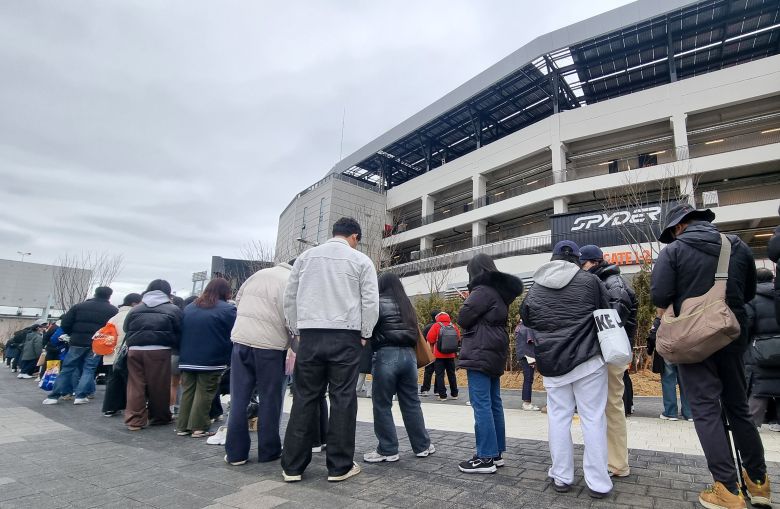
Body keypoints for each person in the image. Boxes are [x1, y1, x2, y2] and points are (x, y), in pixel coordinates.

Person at [651, 202, 769, 508]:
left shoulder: (673, 252)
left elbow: (660, 299)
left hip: (693, 341)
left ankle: (727, 490)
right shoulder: (737, 246)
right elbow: (748, 295)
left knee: (705, 410)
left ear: (678, 226)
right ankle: (758, 484)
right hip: (732, 334)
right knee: (738, 407)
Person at [281, 217, 379, 483]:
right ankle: (339, 466)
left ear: (333, 233)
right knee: (343, 398)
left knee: (304, 397)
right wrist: (365, 334)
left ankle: (292, 466)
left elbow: (290, 296)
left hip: (310, 334)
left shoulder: (306, 257)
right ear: (355, 237)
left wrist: (296, 330)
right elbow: (370, 301)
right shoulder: (361, 261)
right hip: (346, 335)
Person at [521, 240, 612, 498]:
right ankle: (598, 483)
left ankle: (561, 476)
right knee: (593, 418)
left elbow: (527, 318)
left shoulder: (536, 288)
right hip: (589, 360)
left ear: (553, 258)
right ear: (577, 259)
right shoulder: (590, 282)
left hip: (552, 363)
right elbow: (605, 312)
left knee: (558, 418)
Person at [457, 253, 523, 474]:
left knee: (481, 403)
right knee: (494, 402)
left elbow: (463, 318)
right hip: (493, 351)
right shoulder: (498, 293)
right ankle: (495, 453)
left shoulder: (481, 291)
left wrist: (468, 298)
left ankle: (484, 457)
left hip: (479, 350)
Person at [224, 261, 293, 464]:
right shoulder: (292, 280)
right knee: (270, 399)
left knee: (238, 398)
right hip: (270, 346)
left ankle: (236, 453)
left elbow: (238, 299)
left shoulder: (258, 275)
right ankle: (268, 450)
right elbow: (292, 316)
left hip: (241, 341)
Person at [363, 272, 435, 463]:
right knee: (411, 402)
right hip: (409, 358)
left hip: (386, 355)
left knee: (382, 404)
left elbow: (367, 329)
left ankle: (388, 449)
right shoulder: (407, 306)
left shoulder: (376, 302)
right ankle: (422, 446)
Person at [580, 244, 637, 478]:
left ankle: (617, 464)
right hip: (608, 353)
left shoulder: (612, 282)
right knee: (606, 406)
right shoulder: (607, 280)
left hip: (611, 354)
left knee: (612, 406)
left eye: (582, 264)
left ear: (592, 262)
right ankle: (611, 459)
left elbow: (614, 317)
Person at [175, 278, 236, 438]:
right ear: (225, 291)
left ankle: (182, 426)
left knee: (188, 391)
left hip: (187, 357)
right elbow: (234, 333)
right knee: (205, 392)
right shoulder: (227, 310)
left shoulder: (190, 307)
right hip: (212, 358)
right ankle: (198, 427)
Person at [123, 279, 182, 431]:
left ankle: (134, 421)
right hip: (159, 350)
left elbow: (126, 328)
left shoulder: (136, 309)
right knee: (159, 385)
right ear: (168, 292)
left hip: (134, 349)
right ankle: (159, 417)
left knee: (135, 385)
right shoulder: (173, 309)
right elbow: (180, 330)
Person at [43, 287, 118, 405]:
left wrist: (72, 334)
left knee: (67, 369)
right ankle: (80, 396)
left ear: (95, 294)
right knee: (89, 369)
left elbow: (65, 323)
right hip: (96, 344)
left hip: (77, 341)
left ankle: (54, 396)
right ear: (109, 296)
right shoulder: (113, 310)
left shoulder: (79, 306)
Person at [745, 268, 780, 429]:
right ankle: (776, 421)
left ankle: (752, 424)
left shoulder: (751, 299)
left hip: (759, 350)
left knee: (759, 387)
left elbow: (747, 325)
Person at [102, 293, 142, 417]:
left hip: (111, 353)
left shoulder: (114, 317)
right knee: (130, 381)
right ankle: (130, 407)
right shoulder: (134, 314)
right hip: (124, 354)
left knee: (113, 381)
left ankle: (110, 408)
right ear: (134, 303)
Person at [426, 312, 460, 401]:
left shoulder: (436, 326)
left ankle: (442, 395)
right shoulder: (453, 326)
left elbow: (430, 338)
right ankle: (454, 394)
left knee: (440, 375)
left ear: (438, 318)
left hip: (439, 355)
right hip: (451, 355)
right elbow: (458, 338)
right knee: (452, 374)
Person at [515, 319, 539, 411]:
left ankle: (527, 402)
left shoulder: (519, 327)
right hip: (527, 357)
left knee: (528, 379)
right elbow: (530, 345)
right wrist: (532, 358)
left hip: (522, 356)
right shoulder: (527, 328)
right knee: (528, 379)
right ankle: (526, 403)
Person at [419, 310, 440, 396]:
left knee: (428, 372)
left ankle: (425, 389)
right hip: (440, 352)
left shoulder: (428, 327)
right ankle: (437, 390)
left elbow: (422, 339)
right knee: (439, 372)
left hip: (430, 352)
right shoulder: (441, 326)